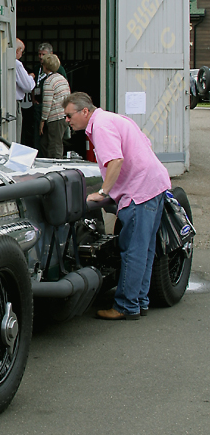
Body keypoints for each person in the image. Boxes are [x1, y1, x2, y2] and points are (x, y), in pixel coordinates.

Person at [62, 92, 171, 321]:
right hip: (154, 185)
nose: (67, 120)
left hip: (139, 192)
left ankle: (126, 305)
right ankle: (140, 301)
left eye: (69, 115)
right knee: (145, 249)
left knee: (132, 250)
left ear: (84, 112)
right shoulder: (113, 118)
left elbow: (116, 160)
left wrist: (103, 192)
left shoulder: (100, 126)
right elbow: (144, 145)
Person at [31, 42, 67, 149]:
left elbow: (49, 100)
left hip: (52, 111)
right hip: (39, 105)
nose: (41, 57)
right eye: (39, 54)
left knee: (54, 142)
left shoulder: (56, 73)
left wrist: (43, 119)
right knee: (41, 139)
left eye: (44, 55)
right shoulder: (38, 68)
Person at [39, 54, 70, 158]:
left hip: (55, 117)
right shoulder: (62, 79)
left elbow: (47, 103)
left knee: (54, 145)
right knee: (48, 142)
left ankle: (56, 165)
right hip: (63, 115)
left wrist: (43, 120)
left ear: (46, 66)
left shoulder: (49, 82)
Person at [15, 39, 35, 144]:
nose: (21, 55)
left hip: (6, 101)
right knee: (16, 133)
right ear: (18, 50)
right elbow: (27, 86)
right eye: (22, 52)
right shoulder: (17, 64)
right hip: (15, 103)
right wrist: (30, 77)